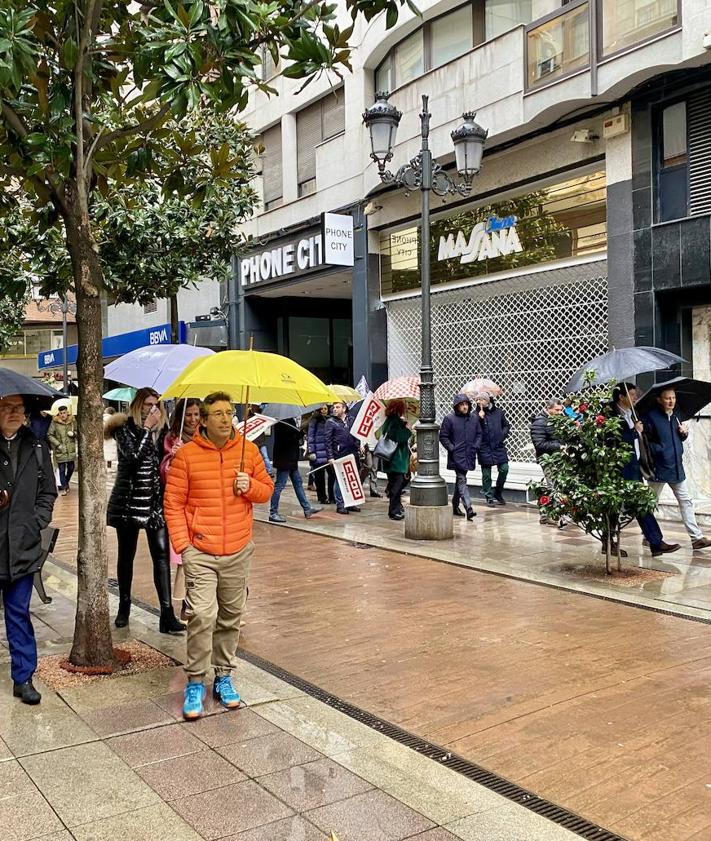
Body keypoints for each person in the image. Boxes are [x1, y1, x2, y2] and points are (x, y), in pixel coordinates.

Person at [163, 391, 274, 720]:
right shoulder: (187, 456)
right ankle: (196, 680)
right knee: (202, 615)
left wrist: (249, 485)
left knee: (230, 617)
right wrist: (185, 546)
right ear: (205, 420)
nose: (226, 419)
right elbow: (173, 504)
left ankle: (223, 676)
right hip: (201, 551)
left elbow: (266, 490)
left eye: (229, 413)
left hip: (238, 550)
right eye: (218, 414)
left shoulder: (248, 451)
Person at [105, 387, 185, 634]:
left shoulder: (164, 431)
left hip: (155, 502)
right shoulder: (123, 427)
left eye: (157, 405)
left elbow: (162, 465)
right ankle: (124, 606)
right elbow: (132, 456)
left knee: (161, 557)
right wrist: (146, 428)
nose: (153, 409)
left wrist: (176, 454)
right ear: (138, 405)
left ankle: (167, 614)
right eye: (148, 404)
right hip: (129, 500)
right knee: (126, 555)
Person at [0, 394, 57, 704]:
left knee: (19, 612)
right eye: (7, 408)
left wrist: (37, 521)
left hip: (23, 545)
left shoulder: (36, 446)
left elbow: (48, 491)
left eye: (18, 409)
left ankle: (23, 677)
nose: (13, 413)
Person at [610, 385, 680, 558]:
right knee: (614, 506)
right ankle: (610, 541)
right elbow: (611, 439)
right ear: (621, 397)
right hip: (620, 469)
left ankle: (656, 544)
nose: (635, 398)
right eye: (632, 395)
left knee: (640, 504)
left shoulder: (632, 413)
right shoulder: (611, 415)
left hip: (635, 466)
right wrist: (634, 431)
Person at [642, 387, 711, 550]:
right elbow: (645, 442)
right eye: (667, 398)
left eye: (673, 398)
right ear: (659, 399)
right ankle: (648, 536)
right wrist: (661, 450)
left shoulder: (676, 414)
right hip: (659, 468)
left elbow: (677, 438)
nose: (671, 401)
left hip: (676, 468)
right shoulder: (650, 417)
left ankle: (696, 538)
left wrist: (684, 433)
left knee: (686, 501)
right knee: (650, 503)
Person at [160, 399, 201, 611]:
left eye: (197, 414)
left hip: (202, 504)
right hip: (183, 507)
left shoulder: (206, 437)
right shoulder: (171, 439)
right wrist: (174, 458)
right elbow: (165, 474)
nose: (193, 419)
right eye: (189, 414)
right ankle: (187, 602)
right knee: (187, 555)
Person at [269, 416, 321, 523]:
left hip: (291, 459)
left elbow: (294, 437)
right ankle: (273, 512)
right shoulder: (283, 422)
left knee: (298, 483)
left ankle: (307, 508)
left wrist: (300, 432)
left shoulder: (288, 421)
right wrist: (301, 431)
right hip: (285, 459)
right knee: (279, 485)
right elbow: (290, 438)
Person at [439, 393, 481, 521]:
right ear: (457, 406)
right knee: (462, 479)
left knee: (460, 480)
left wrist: (475, 446)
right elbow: (443, 436)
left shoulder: (474, 418)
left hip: (469, 454)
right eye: (462, 405)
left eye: (466, 404)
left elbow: (479, 433)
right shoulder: (449, 419)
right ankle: (469, 507)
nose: (465, 407)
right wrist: (452, 448)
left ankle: (455, 505)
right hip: (457, 455)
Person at [530, 398, 564, 526]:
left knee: (556, 485)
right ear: (548, 409)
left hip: (558, 458)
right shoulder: (539, 422)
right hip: (547, 459)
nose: (560, 412)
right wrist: (560, 446)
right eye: (557, 410)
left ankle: (547, 514)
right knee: (552, 486)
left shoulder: (557, 420)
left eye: (561, 410)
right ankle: (550, 515)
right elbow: (539, 444)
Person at [325, 401, 362, 515]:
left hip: (352, 453)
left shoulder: (351, 419)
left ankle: (350, 503)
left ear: (344, 409)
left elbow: (356, 434)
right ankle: (340, 504)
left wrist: (359, 445)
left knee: (352, 478)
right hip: (339, 454)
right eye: (334, 407)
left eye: (337, 407)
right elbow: (328, 441)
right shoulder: (330, 422)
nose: (334, 409)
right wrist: (330, 457)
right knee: (340, 479)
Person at [476, 392, 510, 507]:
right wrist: (479, 418)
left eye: (481, 399)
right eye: (477, 400)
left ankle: (498, 492)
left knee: (504, 469)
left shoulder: (498, 412)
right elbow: (472, 429)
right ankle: (488, 496)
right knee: (486, 474)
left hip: (498, 446)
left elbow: (506, 425)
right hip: (484, 447)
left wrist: (502, 435)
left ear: (487, 400)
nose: (479, 402)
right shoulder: (475, 414)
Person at [379, 400, 411, 521]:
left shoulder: (391, 420)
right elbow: (399, 438)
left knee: (395, 485)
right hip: (396, 460)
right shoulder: (394, 421)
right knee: (397, 486)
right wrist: (407, 429)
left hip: (391, 460)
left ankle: (396, 507)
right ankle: (393, 510)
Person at [47, 403, 77, 495]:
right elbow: (49, 434)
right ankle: (64, 488)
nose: (62, 415)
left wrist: (74, 434)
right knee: (62, 470)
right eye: (61, 413)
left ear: (67, 412)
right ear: (58, 414)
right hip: (60, 449)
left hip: (70, 449)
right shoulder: (54, 422)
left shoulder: (72, 421)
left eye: (64, 413)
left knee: (71, 468)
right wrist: (58, 444)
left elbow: (77, 431)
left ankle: (66, 482)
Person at [307, 404, 334, 504]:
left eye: (325, 409)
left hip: (328, 452)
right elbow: (310, 436)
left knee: (332, 475)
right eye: (322, 409)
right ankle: (322, 497)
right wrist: (312, 451)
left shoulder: (331, 420)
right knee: (319, 476)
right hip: (318, 453)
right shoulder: (315, 420)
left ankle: (332, 496)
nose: (324, 410)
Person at [103, 406, 117, 473]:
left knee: (104, 452)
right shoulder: (114, 420)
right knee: (110, 454)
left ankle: (103, 467)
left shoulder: (101, 419)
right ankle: (109, 468)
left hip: (103, 438)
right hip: (111, 439)